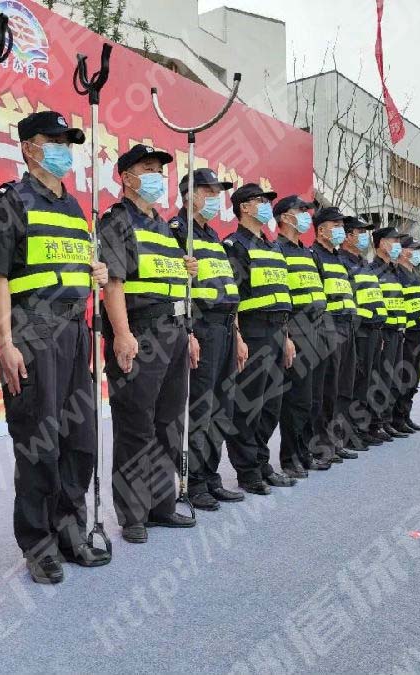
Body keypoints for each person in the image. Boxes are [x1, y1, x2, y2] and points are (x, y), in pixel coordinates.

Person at [0, 110, 111, 584]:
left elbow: (77, 266)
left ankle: (70, 531)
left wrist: (96, 273)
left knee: (79, 439)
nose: (63, 150)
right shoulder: (11, 202)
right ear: (28, 147)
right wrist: (6, 342)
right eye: (53, 141)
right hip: (32, 330)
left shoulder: (75, 209)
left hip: (75, 331)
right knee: (39, 441)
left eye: (68, 143)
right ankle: (39, 545)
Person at [99, 144, 198, 544]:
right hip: (141, 332)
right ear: (126, 177)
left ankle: (161, 504)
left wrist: (188, 329)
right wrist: (122, 334)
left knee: (168, 423)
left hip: (174, 332)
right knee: (136, 425)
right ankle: (133, 513)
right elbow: (113, 282)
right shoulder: (118, 221)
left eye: (160, 169)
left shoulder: (166, 228)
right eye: (148, 168)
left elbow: (171, 282)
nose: (158, 175)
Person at [169, 169, 245, 511]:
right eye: (209, 192)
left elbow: (229, 290)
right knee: (200, 408)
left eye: (218, 192)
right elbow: (174, 289)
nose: (216, 198)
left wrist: (238, 335)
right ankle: (194, 481)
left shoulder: (214, 237)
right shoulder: (176, 232)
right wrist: (187, 331)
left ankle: (211, 475)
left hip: (226, 328)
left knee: (222, 407)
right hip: (202, 327)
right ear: (190, 194)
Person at [222, 183, 297, 494]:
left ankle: (262, 461)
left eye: (268, 200)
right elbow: (233, 298)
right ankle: (248, 470)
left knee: (271, 406)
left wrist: (287, 337)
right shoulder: (235, 245)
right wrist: (238, 336)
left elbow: (281, 295)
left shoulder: (272, 247)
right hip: (253, 332)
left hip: (278, 331)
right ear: (244, 207)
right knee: (248, 405)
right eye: (260, 200)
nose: (266, 205)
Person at [273, 195, 331, 476]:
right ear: (285, 217)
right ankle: (290, 457)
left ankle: (305, 451)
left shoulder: (308, 253)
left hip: (318, 329)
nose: (307, 215)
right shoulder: (277, 250)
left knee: (313, 398)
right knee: (296, 398)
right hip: (296, 329)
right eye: (301, 211)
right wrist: (286, 335)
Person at [309, 206, 358, 464]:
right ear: (321, 230)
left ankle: (336, 440)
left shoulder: (339, 259)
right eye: (336, 225)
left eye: (342, 226)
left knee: (343, 388)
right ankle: (320, 445)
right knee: (326, 390)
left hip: (347, 327)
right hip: (328, 328)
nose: (341, 230)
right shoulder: (314, 256)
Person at [340, 215, 387, 449]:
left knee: (368, 381)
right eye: (360, 233)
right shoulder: (342, 261)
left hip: (373, 330)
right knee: (355, 383)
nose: (364, 237)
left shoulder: (364, 263)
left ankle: (363, 427)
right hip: (358, 331)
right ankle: (350, 433)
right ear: (348, 236)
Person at [368, 227, 408, 441]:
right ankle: (375, 423)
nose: (397, 245)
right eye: (394, 241)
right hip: (384, 332)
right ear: (382, 243)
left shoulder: (394, 270)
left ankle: (386, 420)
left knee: (393, 379)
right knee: (381, 379)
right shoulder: (372, 270)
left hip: (397, 331)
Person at [393, 234, 420, 433]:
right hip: (405, 334)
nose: (417, 253)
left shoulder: (414, 274)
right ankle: (396, 418)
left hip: (418, 333)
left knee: (414, 378)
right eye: (413, 249)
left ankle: (406, 415)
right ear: (402, 251)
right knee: (403, 377)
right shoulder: (397, 274)